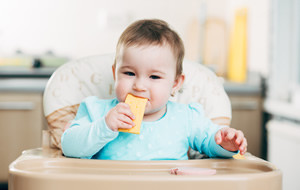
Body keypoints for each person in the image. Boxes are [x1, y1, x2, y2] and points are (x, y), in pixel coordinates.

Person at [61, 19, 247, 160]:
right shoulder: (97, 112)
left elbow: (209, 143)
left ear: (175, 83)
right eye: (129, 73)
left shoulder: (187, 117)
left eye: (154, 77)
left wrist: (226, 144)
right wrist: (105, 126)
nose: (139, 86)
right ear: (114, 73)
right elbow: (69, 147)